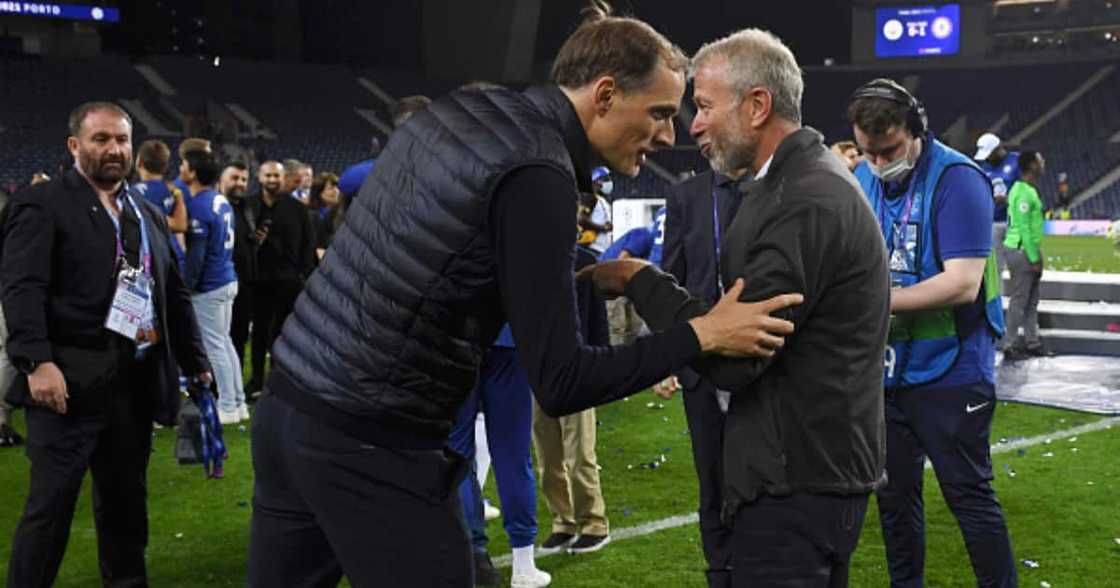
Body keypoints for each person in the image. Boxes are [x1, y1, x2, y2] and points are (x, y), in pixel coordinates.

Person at [246, 5, 803, 586]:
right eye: (660, 113)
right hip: (369, 439)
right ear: (605, 94)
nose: (669, 134)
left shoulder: (462, 111)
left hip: (290, 403)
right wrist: (700, 334)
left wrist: (578, 268)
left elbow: (452, 242)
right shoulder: (542, 171)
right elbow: (564, 382)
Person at [589, 28, 890, 586]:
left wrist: (640, 280)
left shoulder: (801, 200)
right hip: (809, 466)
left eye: (703, 106)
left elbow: (734, 356)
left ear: (757, 106)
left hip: (795, 477)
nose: (693, 125)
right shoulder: (799, 183)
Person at [2, 101, 211, 587]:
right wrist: (36, 362)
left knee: (125, 511)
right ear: (76, 145)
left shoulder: (147, 210)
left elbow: (173, 294)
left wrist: (196, 361)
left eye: (121, 139)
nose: (113, 149)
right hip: (67, 388)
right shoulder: (43, 203)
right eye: (101, 139)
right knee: (49, 514)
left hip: (131, 389)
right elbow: (22, 288)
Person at [848, 80, 1016, 587]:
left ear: (917, 130)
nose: (879, 164)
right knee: (894, 499)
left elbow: (962, 284)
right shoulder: (862, 175)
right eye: (869, 152)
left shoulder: (959, 178)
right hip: (891, 369)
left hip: (953, 368)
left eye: (889, 150)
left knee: (968, 495)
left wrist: (869, 304)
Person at [660, 166, 748, 588]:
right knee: (711, 482)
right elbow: (670, 278)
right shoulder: (686, 196)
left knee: (762, 478)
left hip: (760, 364)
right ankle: (720, 574)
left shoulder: (770, 187)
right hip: (701, 365)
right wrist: (668, 358)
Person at [449, 325, 550, 587]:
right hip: (507, 339)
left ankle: (475, 555)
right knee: (513, 456)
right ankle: (523, 564)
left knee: (457, 455)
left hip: (456, 339)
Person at [533, 245, 612, 558]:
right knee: (547, 454)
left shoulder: (585, 260)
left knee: (580, 452)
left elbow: (597, 318)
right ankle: (563, 523)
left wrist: (601, 367)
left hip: (577, 367)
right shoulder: (528, 256)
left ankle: (594, 524)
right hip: (538, 368)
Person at [181, 149, 246, 424]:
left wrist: (187, 286)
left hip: (210, 284)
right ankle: (238, 402)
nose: (181, 168)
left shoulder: (198, 206)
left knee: (215, 345)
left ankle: (229, 406)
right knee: (225, 342)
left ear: (193, 172)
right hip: (226, 278)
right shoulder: (219, 199)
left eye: (184, 164)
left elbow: (197, 256)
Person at [250, 160, 315, 399]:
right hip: (258, 282)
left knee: (284, 334)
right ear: (260, 177)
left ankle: (278, 382)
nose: (272, 180)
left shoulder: (297, 209)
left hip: (288, 283)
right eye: (268, 176)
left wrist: (302, 276)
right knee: (258, 333)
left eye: (276, 176)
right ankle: (256, 381)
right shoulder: (249, 206)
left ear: (283, 178)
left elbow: (308, 244)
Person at [1003, 150, 1050, 361]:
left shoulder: (1023, 189)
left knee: (1031, 300)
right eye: (1040, 160)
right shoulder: (1023, 192)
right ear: (1032, 165)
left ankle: (1033, 342)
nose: (1043, 163)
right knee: (1020, 300)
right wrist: (1033, 257)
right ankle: (1009, 344)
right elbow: (1023, 226)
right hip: (1021, 250)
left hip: (1024, 249)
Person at [221, 161, 256, 385]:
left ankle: (233, 385)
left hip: (245, 285)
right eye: (234, 178)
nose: (240, 184)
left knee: (239, 337)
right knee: (219, 340)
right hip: (220, 284)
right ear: (221, 180)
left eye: (243, 179)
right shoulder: (214, 206)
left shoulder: (246, 208)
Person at [131, 139, 188, 272]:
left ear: (139, 162)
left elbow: (179, 225)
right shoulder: (171, 190)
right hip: (174, 258)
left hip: (155, 263)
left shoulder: (135, 193)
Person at [975, 132, 1020, 274]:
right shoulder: (984, 168)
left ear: (998, 149)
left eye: (989, 154)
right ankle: (996, 296)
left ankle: (1021, 296)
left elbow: (1027, 190)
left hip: (1015, 222)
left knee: (1019, 266)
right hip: (993, 222)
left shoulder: (1016, 161)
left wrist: (1008, 200)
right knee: (994, 268)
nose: (987, 158)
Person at [306, 172, 342, 258]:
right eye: (331, 188)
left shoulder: (341, 214)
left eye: (337, 187)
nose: (336, 191)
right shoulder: (310, 216)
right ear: (319, 192)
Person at [578, 167, 614, 254]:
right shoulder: (590, 196)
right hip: (591, 247)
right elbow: (581, 219)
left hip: (601, 249)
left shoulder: (601, 199)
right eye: (605, 179)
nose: (609, 182)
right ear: (597, 181)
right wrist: (602, 227)